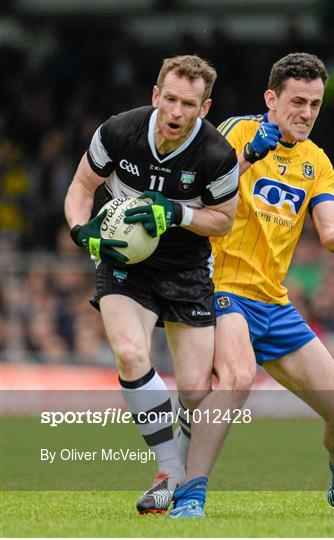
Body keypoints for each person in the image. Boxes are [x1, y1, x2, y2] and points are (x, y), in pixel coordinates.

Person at [171, 52, 334, 518]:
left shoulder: (316, 162)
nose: (306, 113)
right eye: (298, 101)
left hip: (273, 303)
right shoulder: (237, 131)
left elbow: (331, 232)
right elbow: (194, 193)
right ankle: (190, 495)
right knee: (238, 375)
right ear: (271, 98)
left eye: (316, 104)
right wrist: (246, 157)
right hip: (219, 283)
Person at [64, 55, 239, 514]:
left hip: (186, 268)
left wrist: (175, 212)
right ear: (155, 95)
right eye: (172, 100)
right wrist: (82, 231)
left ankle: (174, 465)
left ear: (205, 108)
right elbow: (82, 187)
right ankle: (168, 470)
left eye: (190, 104)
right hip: (127, 264)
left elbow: (223, 222)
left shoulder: (218, 155)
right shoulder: (118, 131)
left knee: (196, 393)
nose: (178, 112)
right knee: (130, 353)